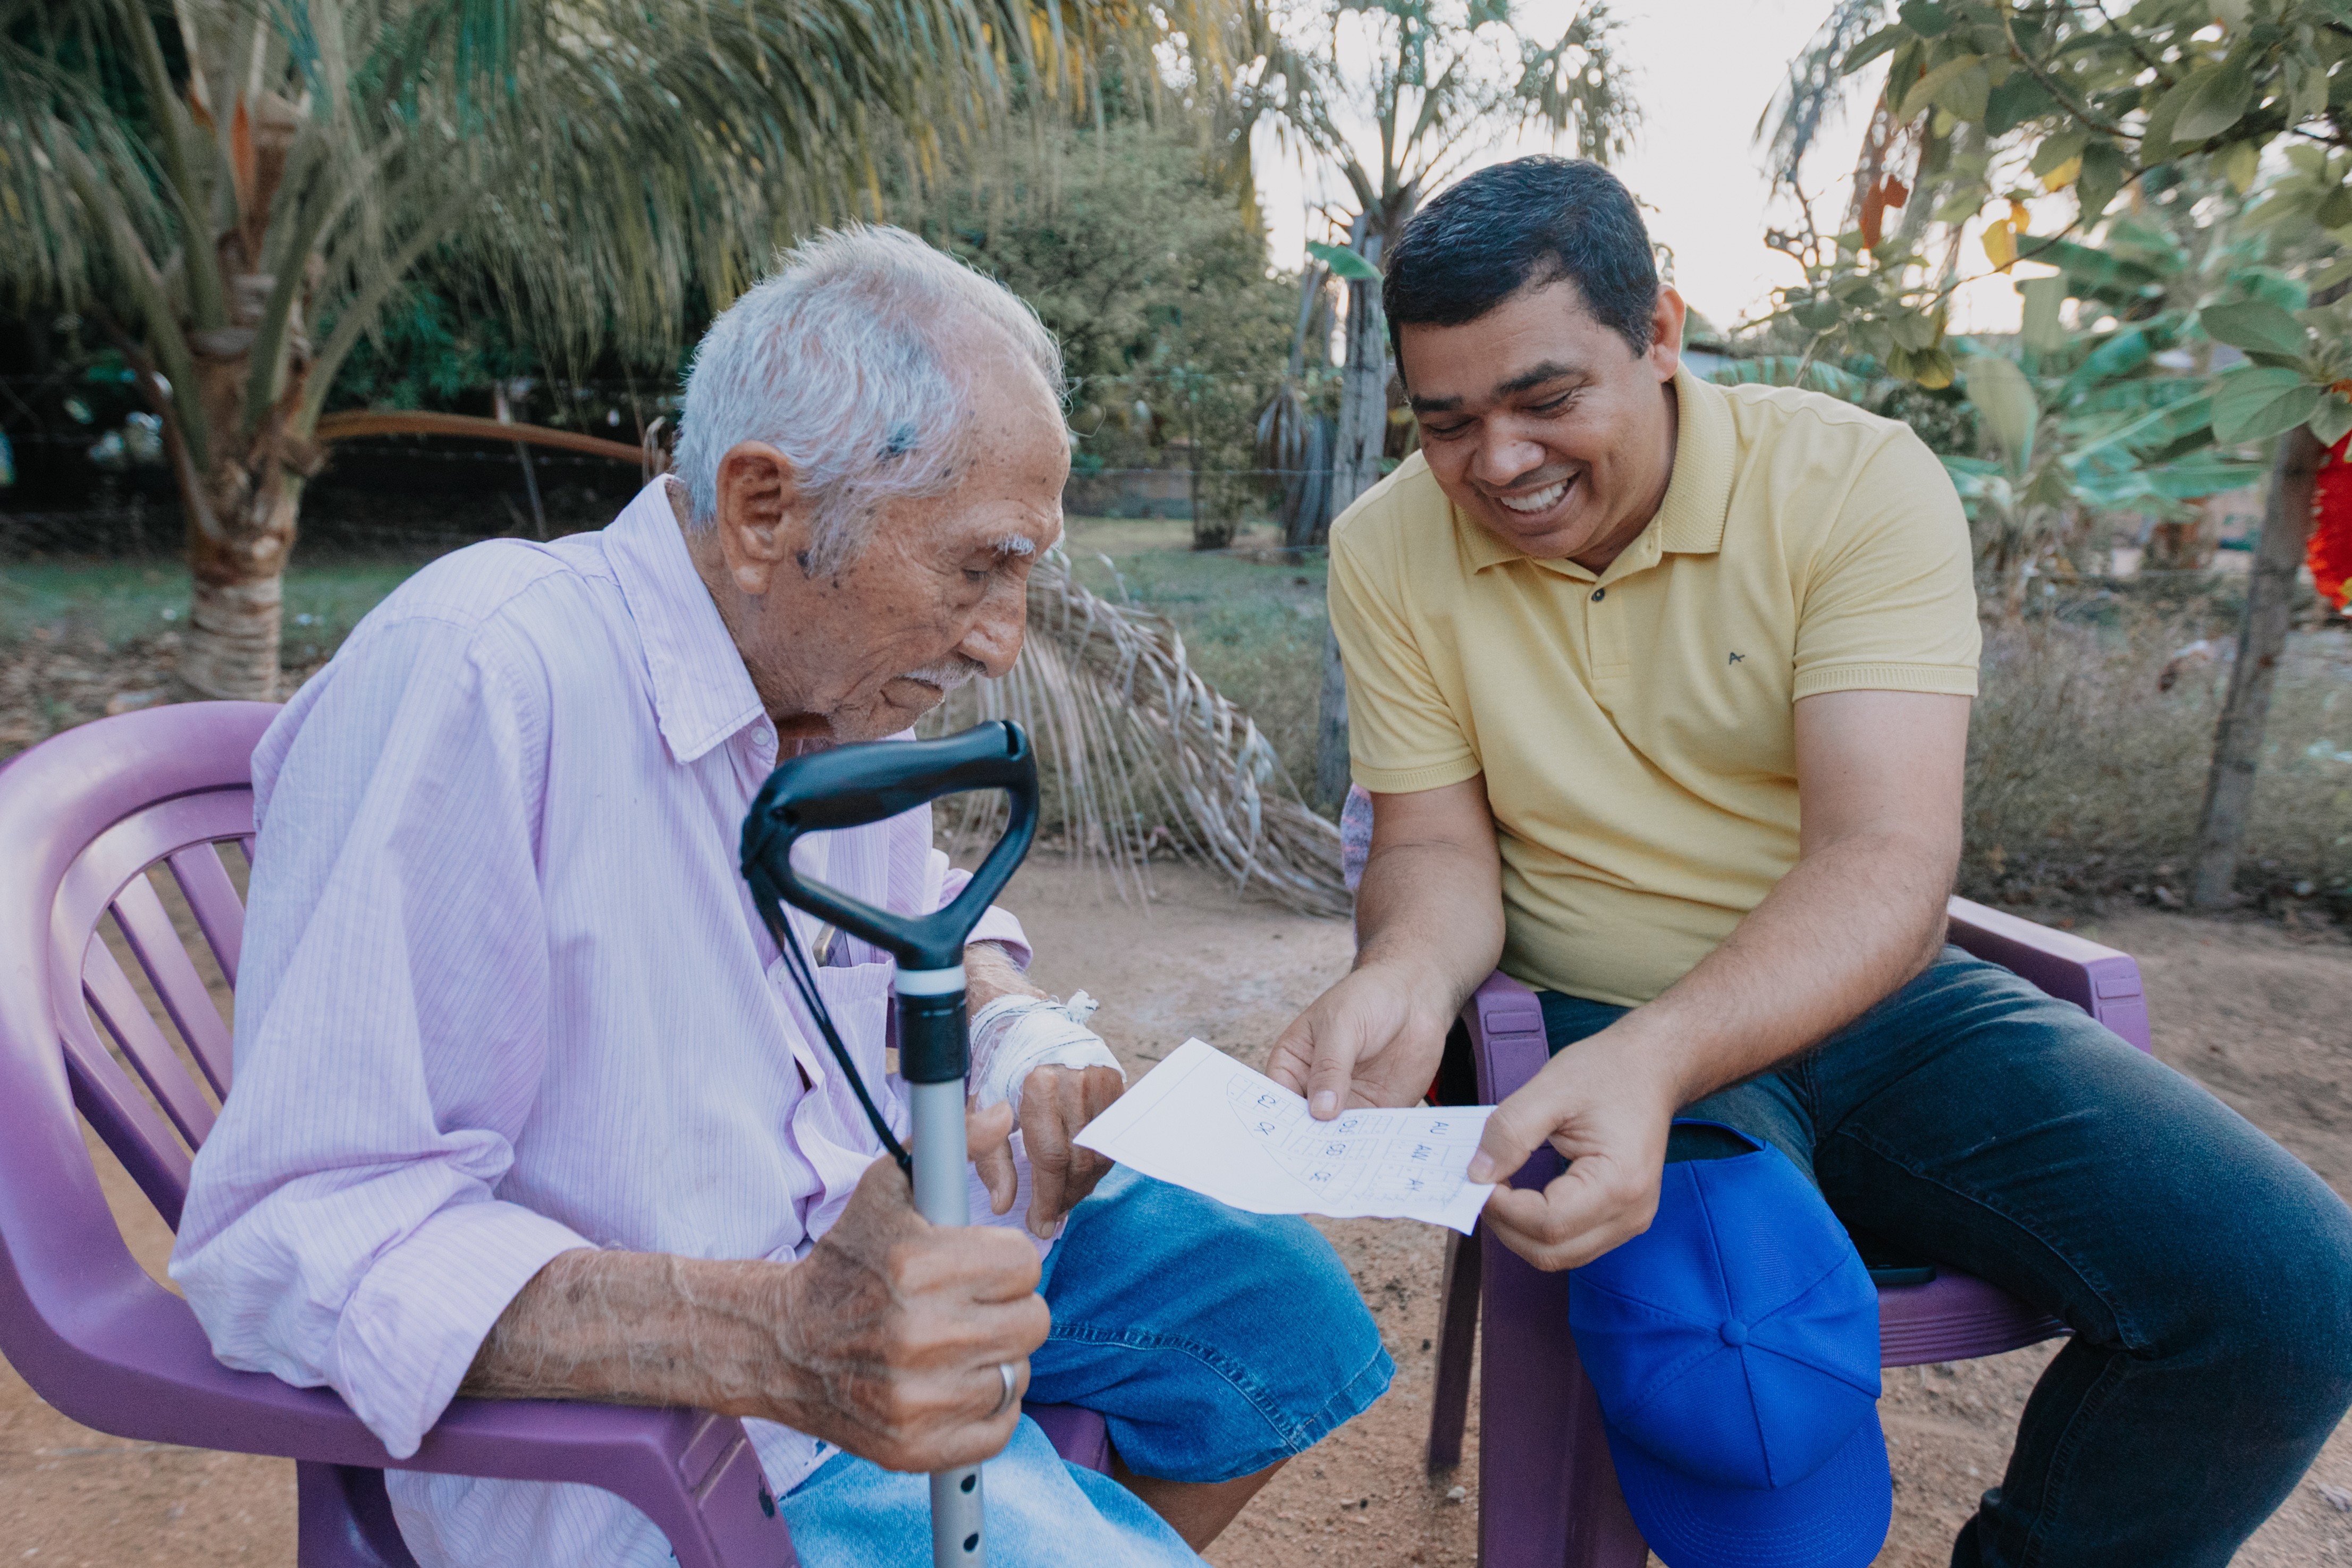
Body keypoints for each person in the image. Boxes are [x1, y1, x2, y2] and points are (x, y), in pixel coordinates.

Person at [172, 225, 1391, 1568]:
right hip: (672, 1434)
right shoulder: (481, 673)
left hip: (855, 1261)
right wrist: (777, 1332)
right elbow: (297, 1226)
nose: (1002, 639)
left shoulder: (829, 693)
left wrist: (1012, 1020)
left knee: (1277, 1307)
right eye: (980, 565)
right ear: (765, 507)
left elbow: (929, 908)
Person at [1271, 156, 2352, 1567]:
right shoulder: (1388, 544)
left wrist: (1662, 1059)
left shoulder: (1851, 483)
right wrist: (1407, 971)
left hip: (1873, 1000)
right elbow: (1430, 844)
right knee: (1741, 1386)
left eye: (1544, 399)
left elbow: (1885, 860)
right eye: (1450, 422)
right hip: (1583, 1011)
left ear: (1659, 333)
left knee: (2284, 1294)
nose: (1499, 462)